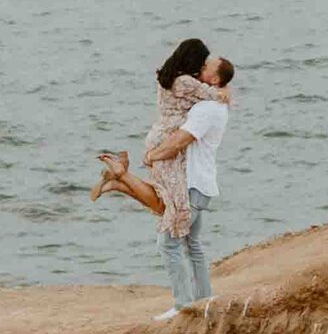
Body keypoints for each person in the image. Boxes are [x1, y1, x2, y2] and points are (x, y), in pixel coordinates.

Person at [93, 41, 235, 313]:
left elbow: (181, 140)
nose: (201, 69)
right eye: (202, 64)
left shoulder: (194, 98)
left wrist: (154, 155)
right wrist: (225, 91)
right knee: (177, 224)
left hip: (185, 171)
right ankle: (201, 300)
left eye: (206, 68)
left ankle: (185, 304)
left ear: (214, 78)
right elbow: (207, 100)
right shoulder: (201, 95)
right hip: (193, 175)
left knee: (171, 239)